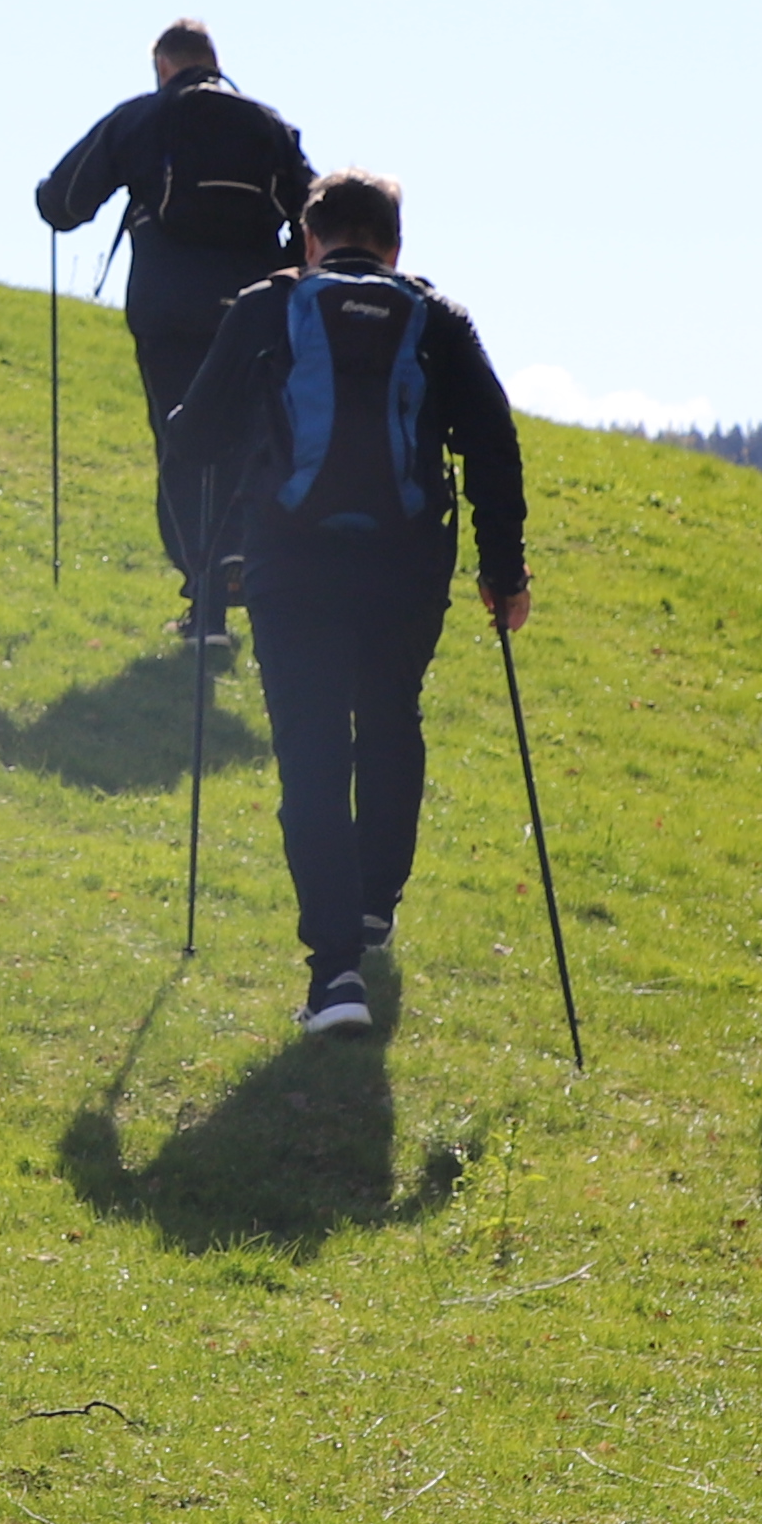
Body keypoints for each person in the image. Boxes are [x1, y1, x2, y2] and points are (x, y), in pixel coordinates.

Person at [171, 167, 530, 1041]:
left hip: (291, 561)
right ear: (396, 244)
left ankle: (334, 973)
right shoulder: (437, 317)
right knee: (391, 718)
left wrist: (213, 546)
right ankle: (375, 904)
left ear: (309, 237)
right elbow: (493, 445)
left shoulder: (267, 306)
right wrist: (504, 571)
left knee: (312, 749)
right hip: (406, 563)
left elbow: (190, 437)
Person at [32, 17, 310, 588]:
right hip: (254, 312)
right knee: (248, 434)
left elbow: (63, 205)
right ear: (214, 59)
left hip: (168, 311)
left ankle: (200, 590)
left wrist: (45, 195)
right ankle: (236, 553)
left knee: (181, 439)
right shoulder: (267, 125)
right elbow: (316, 219)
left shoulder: (140, 118)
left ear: (163, 66)